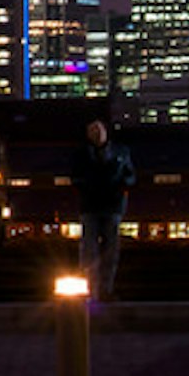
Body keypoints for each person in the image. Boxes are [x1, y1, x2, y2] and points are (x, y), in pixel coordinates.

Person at [72, 116, 135, 295]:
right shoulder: (81, 154)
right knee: (89, 251)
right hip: (91, 206)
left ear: (106, 132)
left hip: (112, 205)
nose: (97, 134)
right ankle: (91, 289)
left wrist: (121, 186)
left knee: (110, 251)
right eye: (93, 131)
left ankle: (106, 290)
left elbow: (131, 176)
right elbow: (75, 177)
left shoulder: (121, 152)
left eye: (99, 130)